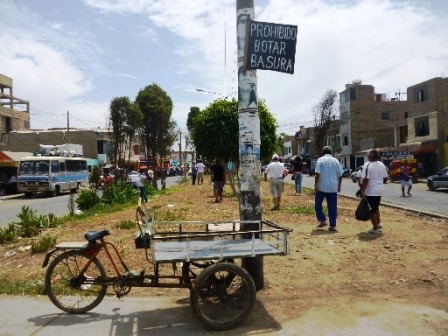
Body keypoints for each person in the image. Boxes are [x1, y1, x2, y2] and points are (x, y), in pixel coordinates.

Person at [314, 146, 344, 231]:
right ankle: (333, 225)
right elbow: (340, 174)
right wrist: (339, 186)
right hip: (333, 187)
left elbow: (317, 173)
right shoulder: (336, 161)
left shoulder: (320, 160)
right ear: (331, 152)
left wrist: (316, 185)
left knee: (318, 204)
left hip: (321, 187)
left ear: (322, 152)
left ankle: (322, 219)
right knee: (332, 206)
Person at [361, 149, 389, 234]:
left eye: (367, 155)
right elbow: (385, 177)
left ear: (370, 156)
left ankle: (375, 228)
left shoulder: (368, 165)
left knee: (372, 210)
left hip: (371, 191)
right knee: (376, 207)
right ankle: (378, 223)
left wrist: (362, 190)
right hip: (379, 190)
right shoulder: (381, 165)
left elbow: (365, 179)